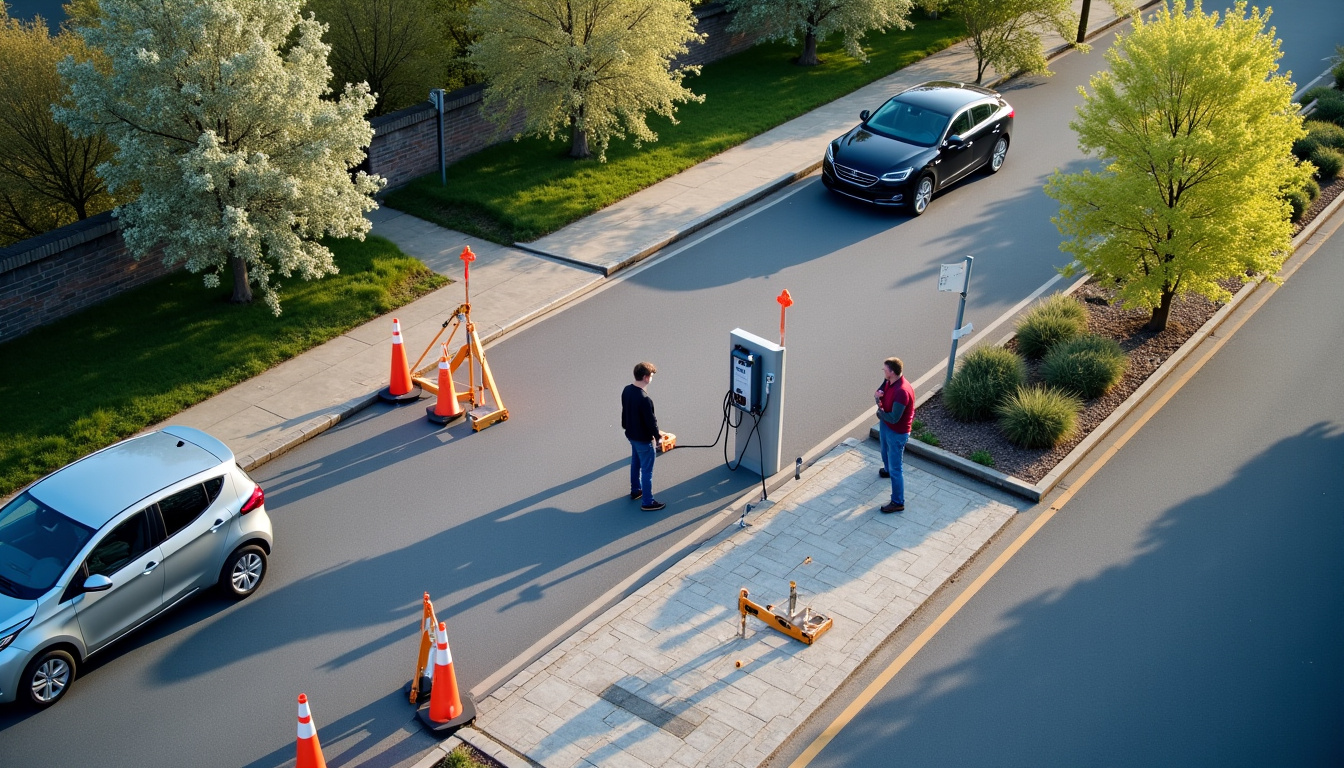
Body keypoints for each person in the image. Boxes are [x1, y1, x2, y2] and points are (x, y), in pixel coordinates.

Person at [621, 361, 666, 511]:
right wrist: (658, 437)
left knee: (636, 462)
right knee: (647, 470)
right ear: (646, 378)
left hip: (631, 435)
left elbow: (625, 414)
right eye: (651, 376)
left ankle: (635, 490)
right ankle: (647, 501)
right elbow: (651, 422)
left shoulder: (627, 390)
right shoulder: (645, 399)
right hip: (643, 439)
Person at [875, 357, 915, 513]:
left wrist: (880, 413)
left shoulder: (902, 392)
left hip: (897, 432)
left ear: (891, 372)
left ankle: (898, 501)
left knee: (896, 468)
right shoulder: (888, 382)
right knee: (884, 450)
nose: (883, 372)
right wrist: (878, 399)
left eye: (885, 369)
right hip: (887, 426)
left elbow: (894, 418)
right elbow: (879, 394)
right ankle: (887, 469)